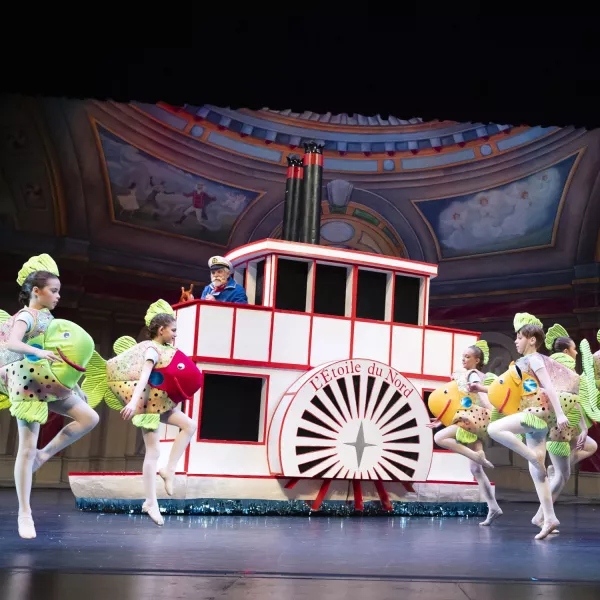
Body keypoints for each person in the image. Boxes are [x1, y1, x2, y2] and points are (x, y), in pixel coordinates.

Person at [0, 254, 99, 539]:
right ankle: (24, 513)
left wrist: (74, 384)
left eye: (58, 291)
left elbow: (62, 357)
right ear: (36, 291)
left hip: (46, 379)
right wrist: (38, 351)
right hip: (26, 381)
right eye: (53, 291)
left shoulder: (47, 318)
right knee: (26, 447)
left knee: (89, 417)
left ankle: (45, 455)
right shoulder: (26, 315)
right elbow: (12, 342)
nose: (57, 296)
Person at [83, 300, 202, 526]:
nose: (176, 335)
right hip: (147, 405)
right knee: (153, 450)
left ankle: (169, 469)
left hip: (159, 404)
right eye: (173, 330)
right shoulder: (152, 349)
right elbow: (144, 375)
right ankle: (150, 501)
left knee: (189, 425)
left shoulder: (167, 349)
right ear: (161, 330)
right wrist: (132, 403)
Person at [486, 313, 569, 539]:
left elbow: (549, 386)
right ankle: (549, 517)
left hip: (537, 412)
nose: (516, 341)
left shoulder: (534, 359)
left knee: (494, 429)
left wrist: (560, 414)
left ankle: (530, 457)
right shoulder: (523, 363)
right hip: (536, 416)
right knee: (538, 472)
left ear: (532, 340)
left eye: (519, 337)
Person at [528, 324, 598, 530]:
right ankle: (541, 516)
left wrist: (584, 429)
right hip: (560, 426)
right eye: (574, 348)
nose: (576, 352)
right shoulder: (565, 371)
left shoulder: (552, 367)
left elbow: (573, 400)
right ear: (566, 351)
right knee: (563, 475)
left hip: (565, 424)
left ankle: (556, 469)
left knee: (591, 446)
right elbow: (572, 399)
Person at [427, 341, 502, 526]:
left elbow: (481, 394)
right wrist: (440, 420)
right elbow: (459, 401)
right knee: (475, 469)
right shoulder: (474, 375)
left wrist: (491, 411)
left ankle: (479, 457)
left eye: (468, 357)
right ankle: (493, 507)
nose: (464, 359)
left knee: (440, 438)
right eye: (463, 356)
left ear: (477, 360)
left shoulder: (473, 374)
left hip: (476, 417)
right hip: (474, 417)